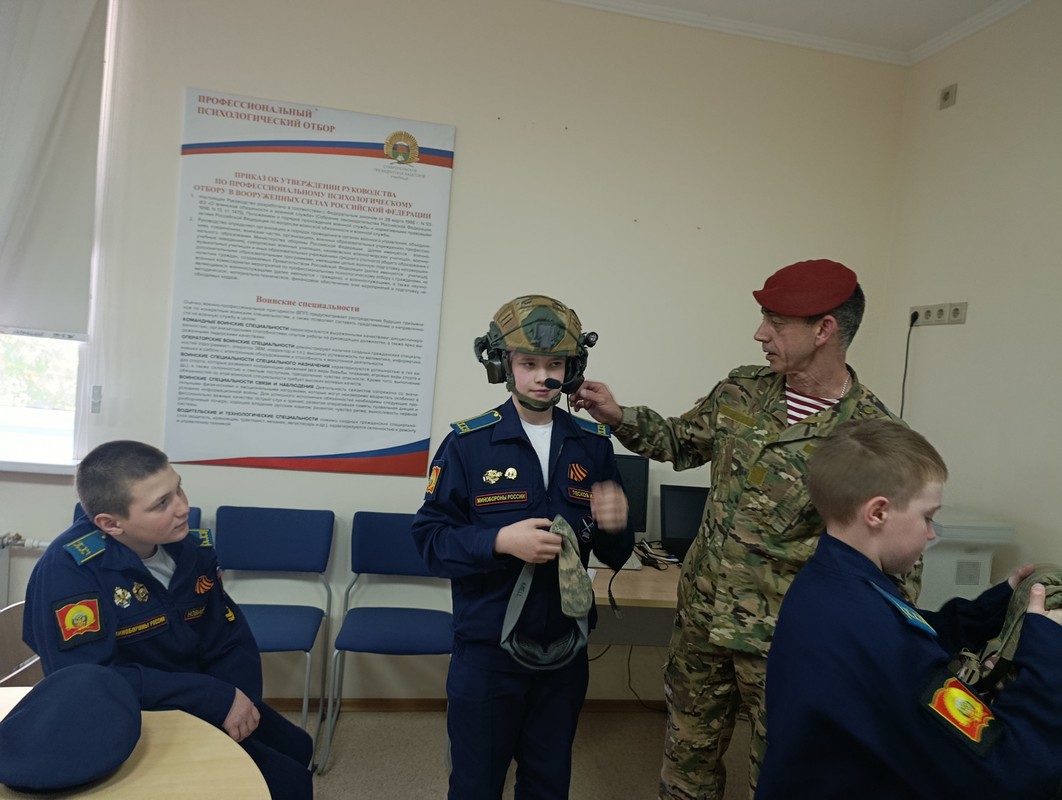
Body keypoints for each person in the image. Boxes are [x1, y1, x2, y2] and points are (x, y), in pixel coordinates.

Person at [571, 258, 912, 799]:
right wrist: (617, 415)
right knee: (686, 760)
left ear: (824, 329)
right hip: (702, 619)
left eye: (776, 322)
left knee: (782, 773)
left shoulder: (873, 437)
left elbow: (893, 565)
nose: (760, 333)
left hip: (785, 640)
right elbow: (681, 441)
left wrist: (867, 655)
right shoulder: (742, 390)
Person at [756, 419, 1062, 799]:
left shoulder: (833, 580)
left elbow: (915, 632)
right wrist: (1048, 649)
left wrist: (998, 603)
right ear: (878, 513)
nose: (931, 533)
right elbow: (1009, 772)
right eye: (927, 517)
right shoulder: (875, 634)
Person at [412, 294, 635, 799]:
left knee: (548, 779)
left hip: (564, 650)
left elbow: (615, 553)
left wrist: (617, 525)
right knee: (476, 782)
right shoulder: (468, 445)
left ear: (571, 369)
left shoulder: (593, 444)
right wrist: (498, 541)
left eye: (554, 364)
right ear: (503, 365)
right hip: (487, 650)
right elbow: (429, 541)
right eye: (528, 363)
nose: (542, 376)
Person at [21, 441, 313, 800]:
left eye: (178, 489)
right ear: (110, 523)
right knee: (288, 785)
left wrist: (239, 700)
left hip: (201, 694)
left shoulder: (189, 549)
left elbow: (226, 633)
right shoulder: (70, 573)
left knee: (298, 747)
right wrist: (210, 698)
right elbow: (90, 682)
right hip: (137, 713)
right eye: (162, 503)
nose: (183, 508)